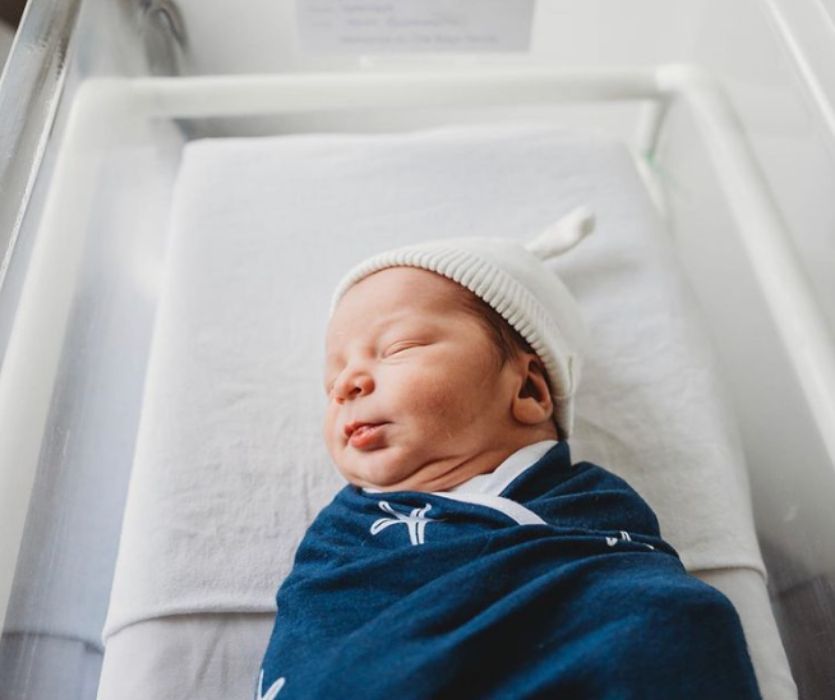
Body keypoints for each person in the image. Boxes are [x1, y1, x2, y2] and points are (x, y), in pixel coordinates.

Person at [256, 208, 761, 699]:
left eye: (399, 347)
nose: (347, 383)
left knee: (674, 615)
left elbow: (633, 599)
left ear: (529, 392)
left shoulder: (586, 505)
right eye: (332, 381)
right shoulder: (341, 541)